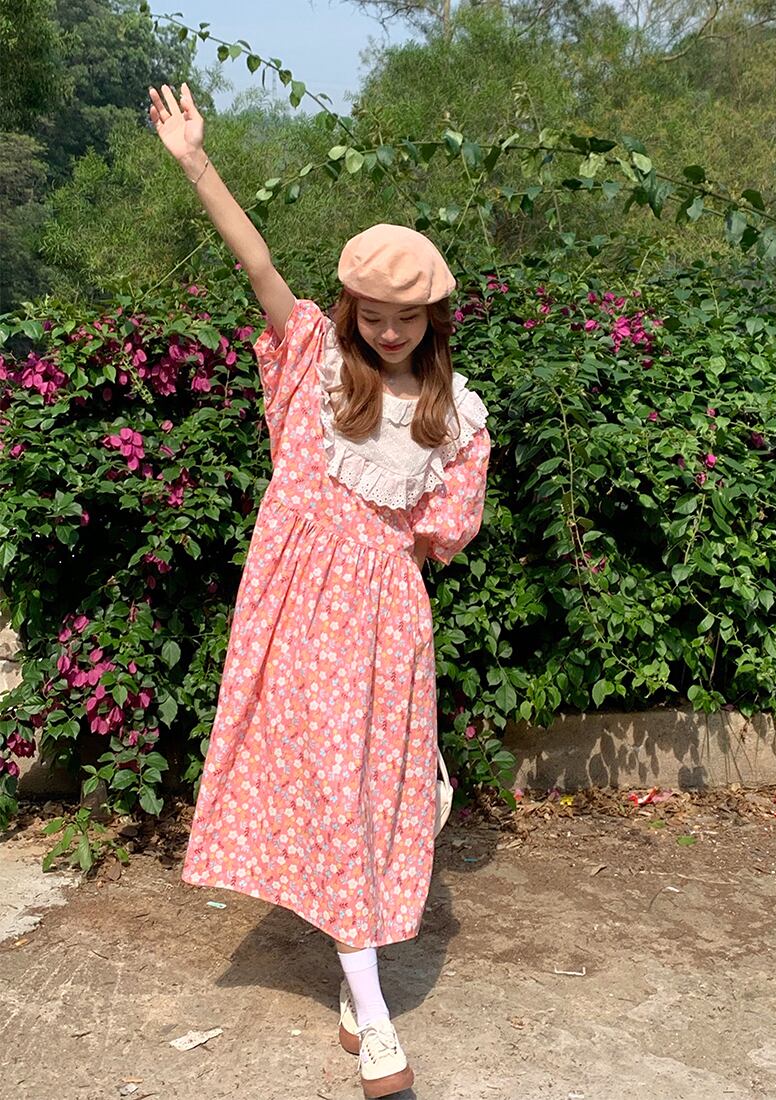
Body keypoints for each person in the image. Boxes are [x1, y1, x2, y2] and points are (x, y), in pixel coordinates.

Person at [148, 81, 491, 1098]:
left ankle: (355, 973)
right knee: (338, 796)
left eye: (405, 318)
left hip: (384, 623)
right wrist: (196, 163)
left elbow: (432, 540)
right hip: (297, 613)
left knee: (381, 798)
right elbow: (256, 264)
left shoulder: (455, 419)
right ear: (349, 310)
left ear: (432, 318)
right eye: (371, 315)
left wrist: (385, 597)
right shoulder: (311, 360)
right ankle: (375, 1019)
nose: (386, 331)